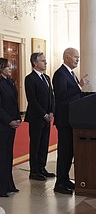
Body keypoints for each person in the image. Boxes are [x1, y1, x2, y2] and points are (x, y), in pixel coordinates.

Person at [53, 47, 93, 195]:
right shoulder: (59, 74)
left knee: (70, 152)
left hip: (73, 119)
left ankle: (65, 179)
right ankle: (59, 183)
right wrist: (79, 85)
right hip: (64, 120)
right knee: (64, 152)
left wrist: (91, 95)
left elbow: (75, 96)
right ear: (67, 57)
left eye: (78, 57)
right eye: (75, 57)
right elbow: (62, 96)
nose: (78, 59)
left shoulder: (70, 73)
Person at [24, 52, 55, 181]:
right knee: (35, 144)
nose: (45, 63)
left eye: (45, 60)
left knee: (44, 144)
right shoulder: (30, 78)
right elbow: (32, 99)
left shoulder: (47, 78)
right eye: (43, 61)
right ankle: (34, 171)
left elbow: (51, 96)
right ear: (35, 63)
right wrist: (43, 114)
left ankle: (42, 167)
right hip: (37, 117)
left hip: (48, 117)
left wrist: (52, 112)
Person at [0, 58, 21, 197]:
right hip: (2, 124)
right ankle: (1, 188)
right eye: (8, 66)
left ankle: (9, 184)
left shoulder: (10, 81)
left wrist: (18, 117)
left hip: (11, 123)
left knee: (8, 154)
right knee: (2, 156)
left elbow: (14, 102)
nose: (10, 68)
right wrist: (9, 121)